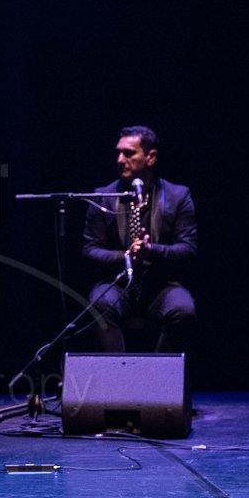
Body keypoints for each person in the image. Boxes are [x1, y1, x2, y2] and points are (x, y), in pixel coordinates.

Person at [79, 126, 198, 353]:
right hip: (118, 284)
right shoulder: (104, 196)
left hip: (161, 285)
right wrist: (126, 256)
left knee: (183, 310)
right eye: (118, 153)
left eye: (128, 153)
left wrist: (151, 250)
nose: (120, 160)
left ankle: (160, 373)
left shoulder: (178, 196)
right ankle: (119, 373)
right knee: (99, 305)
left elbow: (188, 249)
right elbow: (90, 249)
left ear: (151, 157)